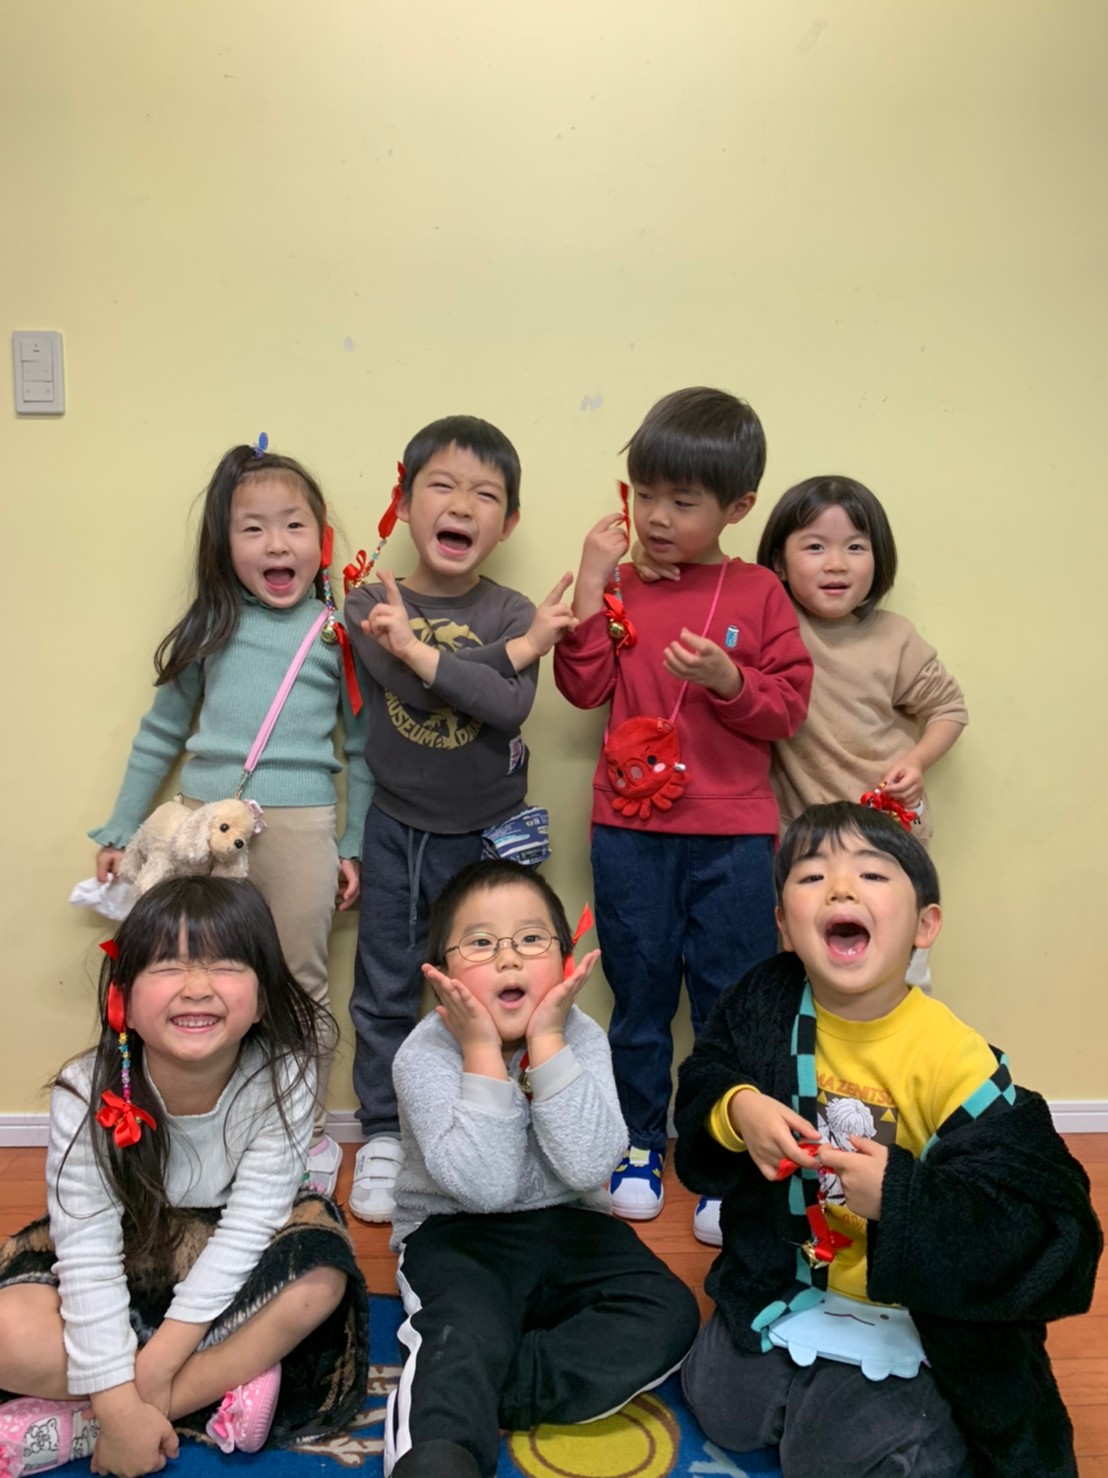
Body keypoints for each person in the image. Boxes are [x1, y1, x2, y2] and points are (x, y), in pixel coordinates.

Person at [674, 802, 1102, 1478]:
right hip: (785, 1280)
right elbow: (707, 1073)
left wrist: (901, 1198)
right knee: (718, 1402)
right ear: (784, 924)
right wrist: (738, 1108)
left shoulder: (955, 1063)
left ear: (924, 925)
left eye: (872, 875)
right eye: (812, 877)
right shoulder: (765, 1001)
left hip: (909, 1313)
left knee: (832, 1453)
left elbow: (1053, 1228)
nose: (840, 890)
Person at [0, 878, 369, 1478]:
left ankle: (98, 1423)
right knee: (8, 1333)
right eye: (168, 966)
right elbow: (86, 1251)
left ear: (264, 997)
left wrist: (149, 1375)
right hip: (130, 1248)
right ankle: (209, 1391)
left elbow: (252, 1224)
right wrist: (120, 1402)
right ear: (122, 998)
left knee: (319, 1282)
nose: (197, 987)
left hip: (237, 1261)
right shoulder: (83, 1089)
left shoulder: (288, 1074)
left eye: (226, 965)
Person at [554, 387, 812, 1240]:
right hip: (630, 832)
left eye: (683, 501)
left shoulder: (760, 591)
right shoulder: (623, 586)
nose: (657, 517)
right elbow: (582, 686)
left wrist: (729, 681)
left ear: (738, 508)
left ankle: (722, 1160)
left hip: (735, 838)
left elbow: (788, 709)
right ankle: (636, 1142)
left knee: (729, 1004)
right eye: (645, 495)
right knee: (638, 998)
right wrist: (593, 583)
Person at [89, 442, 372, 1197]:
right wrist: (120, 830)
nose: (277, 545)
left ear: (321, 541)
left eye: (294, 526)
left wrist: (351, 843)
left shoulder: (336, 632)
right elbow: (160, 732)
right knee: (185, 976)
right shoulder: (209, 627)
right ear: (224, 544)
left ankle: (304, 1133)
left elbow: (362, 748)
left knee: (299, 979)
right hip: (198, 826)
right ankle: (192, 1128)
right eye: (253, 529)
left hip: (300, 829)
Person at [384, 859, 700, 1478]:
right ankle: (446, 1437)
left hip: (574, 1225)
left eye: (531, 939)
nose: (509, 958)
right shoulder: (423, 1055)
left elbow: (588, 1165)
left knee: (669, 1311)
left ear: (564, 959)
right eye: (481, 943)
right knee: (458, 1335)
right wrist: (482, 1051)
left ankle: (498, 1385)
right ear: (442, 975)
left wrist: (549, 1044)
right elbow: (485, 1187)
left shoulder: (580, 1036)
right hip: (458, 1235)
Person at [344, 415, 576, 1223]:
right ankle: (383, 1133)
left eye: (486, 495)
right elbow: (409, 689)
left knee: (499, 987)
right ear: (406, 501)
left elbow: (504, 709)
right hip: (398, 828)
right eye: (441, 486)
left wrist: (440, 653)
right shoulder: (371, 600)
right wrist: (516, 652)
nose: (462, 505)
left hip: (490, 837)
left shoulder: (513, 608)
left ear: (508, 522)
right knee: (385, 986)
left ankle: (497, 1122)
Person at [755, 474, 967, 848]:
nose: (837, 564)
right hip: (800, 837)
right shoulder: (768, 625)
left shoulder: (894, 637)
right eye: (815, 547)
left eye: (855, 547)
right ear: (779, 563)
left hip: (886, 828)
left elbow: (948, 708)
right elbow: (713, 585)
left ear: (878, 559)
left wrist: (916, 761)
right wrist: (651, 563)